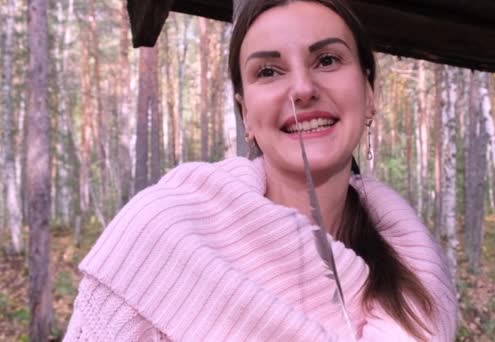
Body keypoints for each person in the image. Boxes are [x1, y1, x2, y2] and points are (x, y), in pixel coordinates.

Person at [64, 0, 457, 340]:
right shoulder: (157, 240)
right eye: (268, 71)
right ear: (246, 115)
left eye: (327, 60)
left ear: (369, 94)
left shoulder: (416, 275)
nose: (303, 89)